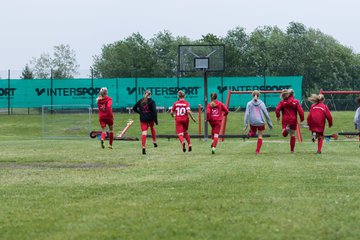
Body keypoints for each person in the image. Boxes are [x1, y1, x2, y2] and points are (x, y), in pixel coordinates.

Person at [244, 90, 273, 154]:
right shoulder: (262, 103)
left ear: (252, 95)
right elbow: (266, 114)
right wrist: (270, 124)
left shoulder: (249, 103)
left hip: (253, 122)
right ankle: (257, 150)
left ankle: (250, 134)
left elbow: (246, 114)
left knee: (253, 133)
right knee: (260, 136)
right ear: (259, 96)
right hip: (261, 122)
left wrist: (246, 124)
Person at [275, 89, 304, 153]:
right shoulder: (296, 101)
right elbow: (301, 111)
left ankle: (286, 130)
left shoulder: (282, 102)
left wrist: (278, 116)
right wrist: (302, 119)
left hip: (285, 120)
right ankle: (292, 151)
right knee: (292, 134)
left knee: (284, 134)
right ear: (293, 94)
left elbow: (277, 109)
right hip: (293, 120)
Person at [133, 90, 158, 155]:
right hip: (150, 119)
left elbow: (134, 108)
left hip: (143, 119)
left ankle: (143, 147)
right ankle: (154, 141)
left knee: (144, 133)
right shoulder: (152, 102)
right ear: (150, 94)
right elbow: (154, 111)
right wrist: (155, 120)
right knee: (152, 128)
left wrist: (140, 113)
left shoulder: (140, 101)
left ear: (144, 94)